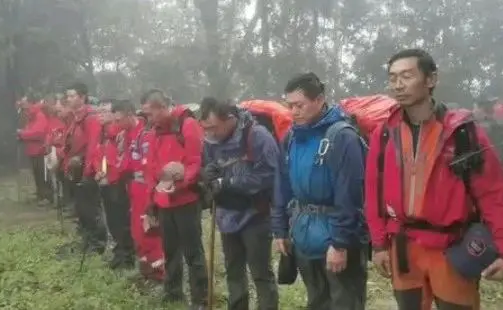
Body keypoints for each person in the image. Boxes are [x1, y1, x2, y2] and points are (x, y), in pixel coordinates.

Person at [365, 49, 503, 310]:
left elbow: (492, 194)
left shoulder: (463, 133)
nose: (398, 85)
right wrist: (379, 243)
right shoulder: (384, 134)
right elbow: (373, 191)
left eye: (406, 76)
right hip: (403, 247)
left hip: (452, 247)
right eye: (392, 78)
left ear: (430, 80)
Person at [272, 73, 369, 310]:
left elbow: (351, 195)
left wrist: (340, 244)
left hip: (337, 236)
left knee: (344, 301)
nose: (293, 111)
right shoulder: (292, 137)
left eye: (299, 105)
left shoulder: (342, 137)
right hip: (304, 233)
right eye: (290, 105)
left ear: (319, 100)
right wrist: (280, 228)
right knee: (316, 300)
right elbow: (282, 184)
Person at [198, 98, 280, 310]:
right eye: (205, 128)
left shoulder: (258, 137)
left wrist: (228, 182)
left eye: (214, 127)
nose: (210, 134)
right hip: (226, 214)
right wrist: (206, 174)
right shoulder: (209, 141)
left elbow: (269, 174)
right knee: (233, 271)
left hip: (255, 214)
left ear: (230, 119)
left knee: (261, 273)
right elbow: (206, 166)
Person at [140, 89, 208, 309]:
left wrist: (179, 184)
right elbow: (149, 165)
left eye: (150, 114)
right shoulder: (154, 131)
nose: (148, 119)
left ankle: (200, 297)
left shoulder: (187, 125)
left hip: (186, 199)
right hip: (163, 200)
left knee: (193, 251)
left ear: (162, 107)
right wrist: (153, 193)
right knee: (170, 250)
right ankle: (173, 291)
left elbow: (195, 161)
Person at [111, 99, 166, 282]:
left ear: (129, 115)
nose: (116, 124)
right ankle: (146, 270)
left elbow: (145, 165)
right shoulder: (127, 135)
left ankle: (158, 273)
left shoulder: (146, 134)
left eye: (119, 120)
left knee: (149, 230)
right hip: (133, 188)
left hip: (145, 188)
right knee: (137, 232)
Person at [60, 82, 108, 256]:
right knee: (81, 209)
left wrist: (89, 172)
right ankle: (87, 240)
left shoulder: (90, 117)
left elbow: (93, 146)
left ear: (82, 97)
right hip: (75, 168)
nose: (69, 99)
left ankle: (98, 243)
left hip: (87, 169)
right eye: (68, 96)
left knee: (91, 208)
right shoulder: (75, 118)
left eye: (73, 96)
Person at [94, 100, 136, 270]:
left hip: (118, 181)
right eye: (99, 111)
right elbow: (98, 154)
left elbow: (122, 158)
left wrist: (114, 172)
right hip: (105, 179)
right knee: (112, 219)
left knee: (122, 220)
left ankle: (126, 256)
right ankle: (119, 252)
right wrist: (97, 169)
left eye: (105, 111)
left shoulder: (119, 133)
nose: (101, 115)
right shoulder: (101, 133)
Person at [17, 96, 51, 204]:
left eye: (24, 103)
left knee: (42, 174)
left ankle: (46, 197)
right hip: (33, 150)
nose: (23, 106)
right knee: (37, 174)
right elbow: (30, 130)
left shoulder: (39, 116)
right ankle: (40, 194)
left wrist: (22, 134)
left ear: (31, 103)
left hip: (40, 150)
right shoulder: (31, 116)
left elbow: (38, 133)